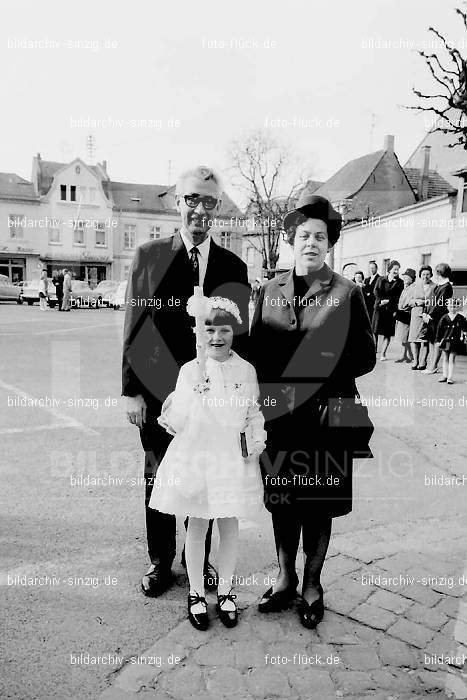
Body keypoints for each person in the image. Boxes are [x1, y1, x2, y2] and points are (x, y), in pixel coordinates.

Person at [122, 165, 251, 598]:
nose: (199, 209)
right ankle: (161, 560)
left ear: (217, 207)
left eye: (209, 201)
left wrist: (239, 397)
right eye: (191, 199)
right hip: (161, 393)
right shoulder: (150, 254)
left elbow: (239, 334)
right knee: (159, 476)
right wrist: (132, 391)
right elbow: (135, 324)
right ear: (177, 202)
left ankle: (197, 559)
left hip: (214, 398)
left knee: (208, 477)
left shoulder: (233, 265)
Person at [249, 194, 376, 630]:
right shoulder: (267, 291)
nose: (311, 243)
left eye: (319, 236)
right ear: (291, 239)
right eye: (303, 235)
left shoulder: (346, 292)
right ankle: (285, 577)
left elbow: (366, 356)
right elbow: (255, 355)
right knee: (283, 500)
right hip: (279, 418)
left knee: (319, 504)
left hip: (327, 416)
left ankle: (313, 584)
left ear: (329, 243)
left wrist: (319, 365)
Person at [149, 297, 266, 630]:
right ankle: (197, 592)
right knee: (197, 526)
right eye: (209, 329)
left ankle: (226, 590)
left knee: (229, 526)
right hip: (199, 456)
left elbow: (251, 411)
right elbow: (178, 421)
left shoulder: (246, 369)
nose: (216, 337)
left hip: (231, 458)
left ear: (234, 332)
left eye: (224, 330)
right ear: (198, 332)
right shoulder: (190, 370)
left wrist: (256, 435)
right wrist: (192, 394)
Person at [420, 263, 453, 374]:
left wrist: (430, 315)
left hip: (439, 318)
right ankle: (431, 365)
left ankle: (433, 366)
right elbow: (431, 301)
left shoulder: (446, 286)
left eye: (436, 272)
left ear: (440, 273)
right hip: (433, 318)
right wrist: (425, 313)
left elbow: (440, 304)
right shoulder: (440, 285)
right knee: (432, 340)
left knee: (437, 342)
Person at [372, 260, 404, 360]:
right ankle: (373, 351)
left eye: (398, 269)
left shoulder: (400, 282)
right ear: (389, 269)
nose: (396, 271)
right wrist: (381, 301)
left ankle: (383, 353)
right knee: (375, 331)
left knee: (387, 333)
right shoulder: (381, 279)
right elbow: (376, 291)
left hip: (390, 310)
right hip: (379, 308)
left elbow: (399, 296)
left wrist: (389, 301)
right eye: (395, 269)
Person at [408, 266, 435, 370]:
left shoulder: (434, 286)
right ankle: (415, 361)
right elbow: (408, 301)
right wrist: (417, 302)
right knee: (414, 340)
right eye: (423, 274)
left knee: (425, 340)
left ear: (431, 275)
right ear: (420, 275)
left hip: (428, 315)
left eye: (428, 274)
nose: (425, 276)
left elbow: (436, 301)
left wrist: (426, 303)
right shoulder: (415, 286)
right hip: (416, 315)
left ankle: (422, 363)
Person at [435, 298, 467, 384]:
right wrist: (438, 341)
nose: (453, 308)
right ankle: (444, 375)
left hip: (455, 342)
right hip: (446, 341)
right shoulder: (444, 318)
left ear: (457, 307)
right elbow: (439, 330)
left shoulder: (461, 318)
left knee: (452, 358)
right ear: (447, 307)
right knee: (445, 358)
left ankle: (450, 377)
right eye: (451, 306)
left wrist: (465, 335)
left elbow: (465, 329)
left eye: (454, 306)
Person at [394, 268, 416, 363]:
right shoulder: (405, 287)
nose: (405, 278)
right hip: (401, 314)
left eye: (407, 277)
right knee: (403, 338)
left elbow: (408, 302)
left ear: (412, 278)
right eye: (405, 276)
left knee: (405, 337)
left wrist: (402, 308)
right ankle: (405, 355)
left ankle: (410, 355)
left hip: (406, 314)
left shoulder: (413, 288)